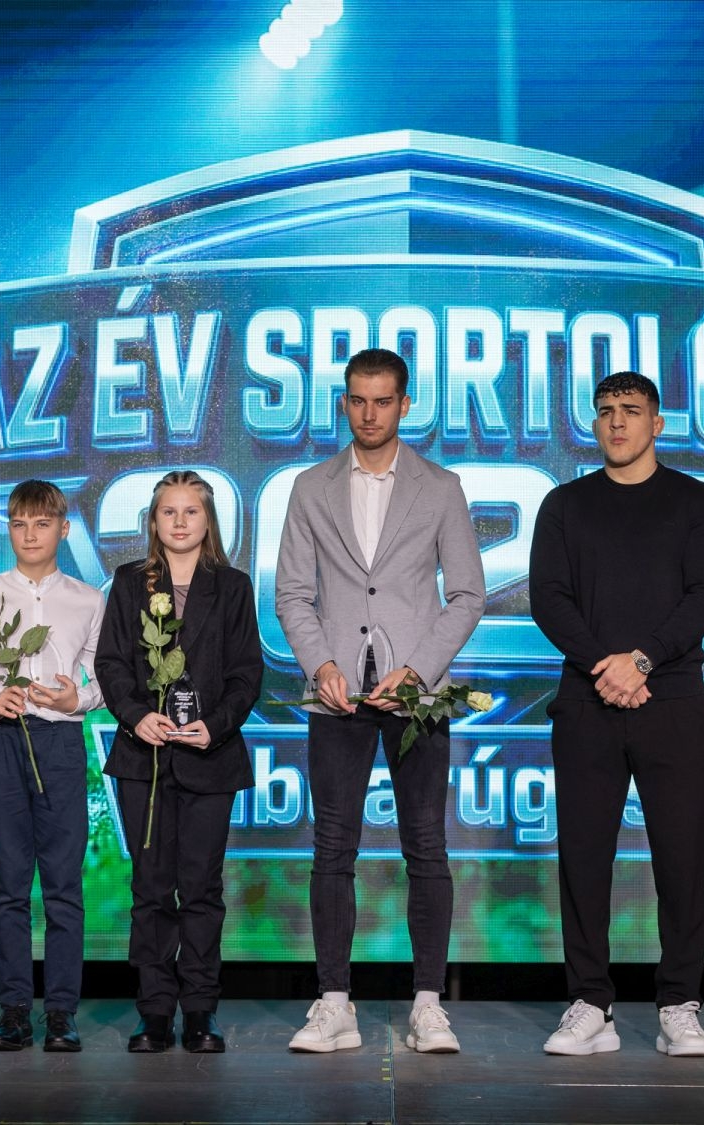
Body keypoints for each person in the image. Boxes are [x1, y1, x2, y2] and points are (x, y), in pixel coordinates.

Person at [275, 347, 486, 1054]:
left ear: (405, 404)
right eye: (358, 401)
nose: (370, 413)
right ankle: (335, 1002)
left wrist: (420, 671)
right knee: (332, 848)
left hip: (415, 699)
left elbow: (468, 593)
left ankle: (429, 1004)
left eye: (383, 401)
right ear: (344, 403)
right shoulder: (310, 486)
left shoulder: (441, 487)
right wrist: (321, 663)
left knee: (425, 844)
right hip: (337, 695)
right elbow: (292, 594)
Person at [528, 371, 704, 1058]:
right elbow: (549, 598)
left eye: (631, 410)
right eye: (605, 410)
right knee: (584, 859)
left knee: (680, 859)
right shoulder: (565, 505)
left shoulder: (697, 503)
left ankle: (679, 1005)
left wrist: (641, 661)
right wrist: (607, 666)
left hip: (672, 702)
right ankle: (591, 1003)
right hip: (587, 703)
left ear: (657, 422)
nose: (617, 421)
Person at [94, 470, 263, 1054]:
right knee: (150, 888)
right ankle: (154, 1012)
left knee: (201, 890)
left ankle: (199, 1011)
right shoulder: (128, 582)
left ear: (208, 520)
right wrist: (136, 715)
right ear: (153, 520)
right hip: (144, 759)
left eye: (192, 511)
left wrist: (215, 725)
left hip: (210, 759)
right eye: (170, 511)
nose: (181, 521)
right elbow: (111, 663)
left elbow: (246, 674)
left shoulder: (233, 586)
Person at [0, 480, 105, 1053]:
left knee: (63, 887)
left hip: (60, 744)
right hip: (4, 742)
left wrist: (77, 699)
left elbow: (103, 680)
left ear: (64, 529)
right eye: (19, 524)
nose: (30, 534)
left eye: (42, 523)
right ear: (8, 530)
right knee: (10, 886)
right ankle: (14, 1009)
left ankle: (61, 1012)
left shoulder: (89, 600)